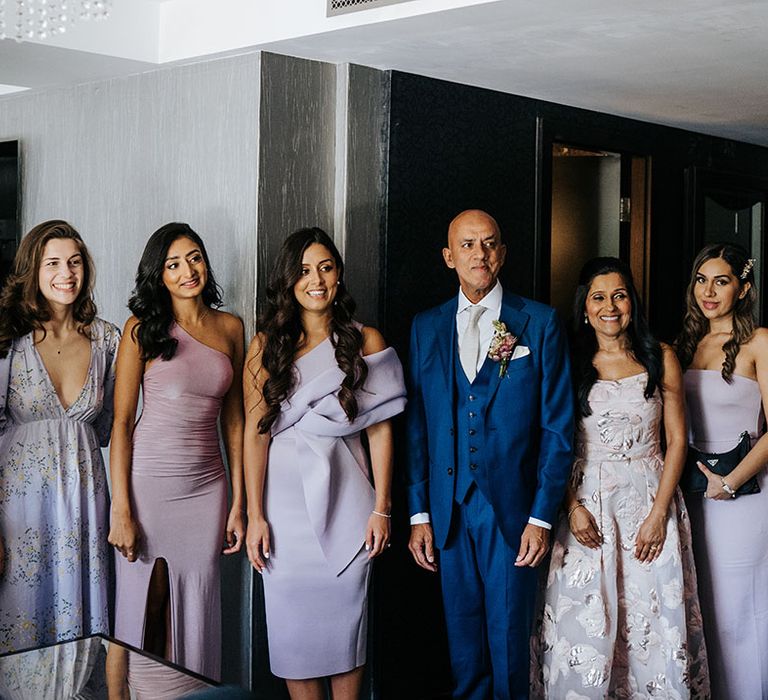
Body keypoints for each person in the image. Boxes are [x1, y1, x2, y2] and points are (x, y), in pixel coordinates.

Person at [405, 209, 573, 699]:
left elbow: (558, 430)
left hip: (512, 511)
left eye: (490, 243)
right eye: (468, 244)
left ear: (502, 252)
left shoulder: (536, 323)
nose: (479, 253)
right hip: (449, 508)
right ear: (448, 256)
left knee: (510, 644)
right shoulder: (426, 326)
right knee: (463, 645)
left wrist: (542, 518)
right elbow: (417, 426)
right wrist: (419, 513)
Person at [533, 256, 709, 697]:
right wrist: (571, 507)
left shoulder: (660, 356)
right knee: (586, 627)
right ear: (585, 306)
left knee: (649, 625)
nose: (610, 306)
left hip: (650, 500)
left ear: (632, 302)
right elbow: (552, 440)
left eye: (620, 294)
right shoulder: (569, 360)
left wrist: (659, 513)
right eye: (599, 297)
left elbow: (677, 440)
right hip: (586, 507)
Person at [244, 227, 406, 699]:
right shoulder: (264, 346)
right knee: (295, 648)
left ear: (339, 275)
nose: (315, 280)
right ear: (288, 281)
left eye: (325, 267)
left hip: (348, 510)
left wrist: (383, 507)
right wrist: (255, 515)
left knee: (346, 647)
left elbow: (380, 429)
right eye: (303, 270)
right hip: (283, 521)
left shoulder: (366, 340)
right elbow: (254, 436)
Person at [108, 222, 245, 680]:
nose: (188, 270)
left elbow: (236, 422)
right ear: (159, 275)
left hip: (208, 491)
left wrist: (239, 504)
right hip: (149, 486)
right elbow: (122, 423)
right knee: (145, 603)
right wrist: (121, 510)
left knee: (199, 606)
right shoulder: (141, 330)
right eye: (173, 264)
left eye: (195, 258)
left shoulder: (231, 328)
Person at [0, 220, 119, 652]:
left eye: (74, 262)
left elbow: (111, 428)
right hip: (20, 509)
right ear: (33, 270)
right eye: (53, 263)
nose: (65, 273)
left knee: (83, 624)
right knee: (21, 619)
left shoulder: (107, 339)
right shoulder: (8, 338)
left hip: (86, 503)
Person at [676, 243, 768, 699]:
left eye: (721, 281)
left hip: (744, 494)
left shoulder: (760, 342)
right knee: (701, 608)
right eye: (700, 279)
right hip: (693, 494)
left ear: (744, 288)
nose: (707, 291)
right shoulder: (686, 343)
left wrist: (730, 484)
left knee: (739, 613)